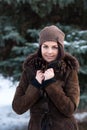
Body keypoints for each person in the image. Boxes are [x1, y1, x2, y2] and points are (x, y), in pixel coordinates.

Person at [12, 25, 80, 130]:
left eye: (54, 47)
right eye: (45, 46)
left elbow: (69, 109)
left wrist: (50, 83)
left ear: (60, 48)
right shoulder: (30, 70)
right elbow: (18, 107)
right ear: (40, 47)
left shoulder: (69, 70)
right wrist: (35, 84)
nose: (49, 52)